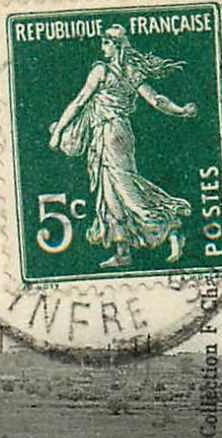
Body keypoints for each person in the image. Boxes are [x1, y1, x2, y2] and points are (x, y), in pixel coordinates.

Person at [47, 24, 197, 269]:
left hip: (109, 134)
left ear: (115, 45)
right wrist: (180, 110)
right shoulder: (131, 71)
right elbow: (157, 100)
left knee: (126, 191)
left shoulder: (101, 70)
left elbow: (79, 101)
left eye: (105, 43)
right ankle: (123, 253)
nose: (102, 47)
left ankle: (171, 227)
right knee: (111, 194)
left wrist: (59, 132)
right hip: (120, 133)